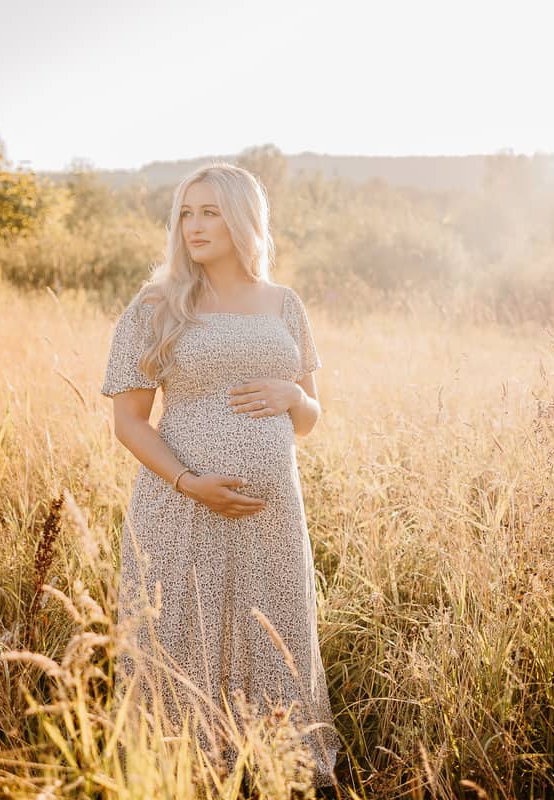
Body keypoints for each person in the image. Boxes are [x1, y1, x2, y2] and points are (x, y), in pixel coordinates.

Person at [100, 162, 339, 789]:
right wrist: (188, 482)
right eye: (186, 212)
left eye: (209, 212)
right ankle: (180, 775)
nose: (194, 226)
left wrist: (291, 391)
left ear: (243, 219)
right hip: (181, 508)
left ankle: (272, 772)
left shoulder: (285, 304)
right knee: (183, 640)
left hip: (273, 520)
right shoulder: (156, 304)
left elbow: (310, 418)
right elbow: (129, 422)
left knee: (275, 639)